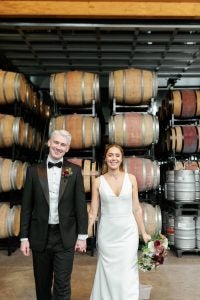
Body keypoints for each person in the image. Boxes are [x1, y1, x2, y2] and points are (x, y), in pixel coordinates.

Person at [20, 129, 88, 300]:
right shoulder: (33, 171)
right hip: (40, 235)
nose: (58, 147)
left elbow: (80, 205)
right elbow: (27, 206)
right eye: (56, 142)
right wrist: (23, 238)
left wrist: (82, 236)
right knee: (42, 285)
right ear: (49, 143)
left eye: (63, 145)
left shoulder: (74, 171)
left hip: (65, 236)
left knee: (62, 285)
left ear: (67, 149)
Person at [88, 144, 151, 300]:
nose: (113, 158)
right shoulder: (97, 182)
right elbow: (93, 212)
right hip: (107, 234)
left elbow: (136, 208)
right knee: (108, 272)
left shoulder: (131, 179)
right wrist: (84, 234)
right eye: (110, 155)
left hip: (128, 233)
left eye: (117, 155)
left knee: (128, 271)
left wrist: (143, 233)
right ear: (105, 158)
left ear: (122, 158)